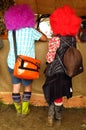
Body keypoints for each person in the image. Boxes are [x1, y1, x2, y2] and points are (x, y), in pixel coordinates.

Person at [4, 4, 48, 116]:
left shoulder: (11, 32)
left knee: (16, 87)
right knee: (27, 87)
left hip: (12, 63)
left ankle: (18, 110)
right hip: (27, 65)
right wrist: (37, 30)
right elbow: (45, 39)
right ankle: (25, 110)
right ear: (28, 17)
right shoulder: (31, 31)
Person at [42, 5, 82, 126]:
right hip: (66, 72)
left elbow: (50, 57)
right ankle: (58, 117)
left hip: (54, 71)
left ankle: (50, 116)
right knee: (59, 94)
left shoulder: (55, 39)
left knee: (52, 93)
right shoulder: (73, 40)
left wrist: (48, 59)